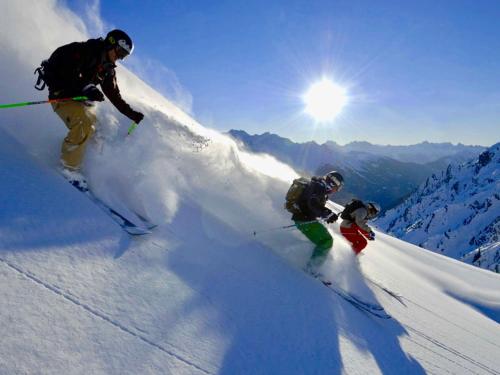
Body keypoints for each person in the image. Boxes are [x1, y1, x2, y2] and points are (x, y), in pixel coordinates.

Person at [34, 29, 144, 185]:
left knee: (98, 131)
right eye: (119, 52)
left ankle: (85, 165)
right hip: (62, 96)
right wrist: (87, 87)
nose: (119, 58)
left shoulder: (108, 69)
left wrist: (132, 114)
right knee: (84, 124)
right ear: (110, 44)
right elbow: (68, 72)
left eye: (123, 56)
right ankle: (69, 169)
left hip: (80, 100)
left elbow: (114, 95)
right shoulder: (84, 51)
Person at [285, 171, 344, 275]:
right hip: (304, 220)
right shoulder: (319, 187)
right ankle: (311, 269)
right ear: (332, 183)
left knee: (323, 240)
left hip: (305, 218)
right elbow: (312, 203)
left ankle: (311, 265)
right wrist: (326, 213)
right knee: (326, 241)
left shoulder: (318, 185)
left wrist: (325, 214)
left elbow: (312, 203)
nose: (336, 190)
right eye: (337, 187)